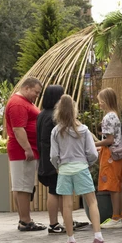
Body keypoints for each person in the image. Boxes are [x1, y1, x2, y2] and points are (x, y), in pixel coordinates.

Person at [50, 95, 104, 243]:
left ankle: (71, 240)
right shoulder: (84, 129)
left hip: (65, 170)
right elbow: (93, 153)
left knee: (66, 206)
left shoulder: (55, 131)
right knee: (92, 202)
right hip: (81, 167)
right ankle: (98, 236)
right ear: (75, 110)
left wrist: (58, 166)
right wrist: (87, 163)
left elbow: (53, 155)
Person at [37, 84, 88, 234]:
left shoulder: (41, 115)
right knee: (54, 191)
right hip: (54, 160)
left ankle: (67, 221)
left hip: (45, 159)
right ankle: (54, 224)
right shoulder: (54, 117)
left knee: (58, 191)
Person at [6, 77, 44, 231]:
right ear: (27, 88)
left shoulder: (24, 102)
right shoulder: (18, 104)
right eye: (36, 92)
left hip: (25, 149)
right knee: (23, 187)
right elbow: (18, 129)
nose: (37, 95)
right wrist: (27, 148)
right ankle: (26, 221)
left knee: (22, 185)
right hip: (23, 150)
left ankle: (24, 219)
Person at [95, 88, 122, 228]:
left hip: (110, 154)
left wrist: (94, 144)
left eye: (100, 101)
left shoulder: (107, 117)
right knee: (118, 185)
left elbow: (109, 140)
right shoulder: (115, 115)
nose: (99, 104)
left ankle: (116, 218)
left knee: (112, 187)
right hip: (118, 154)